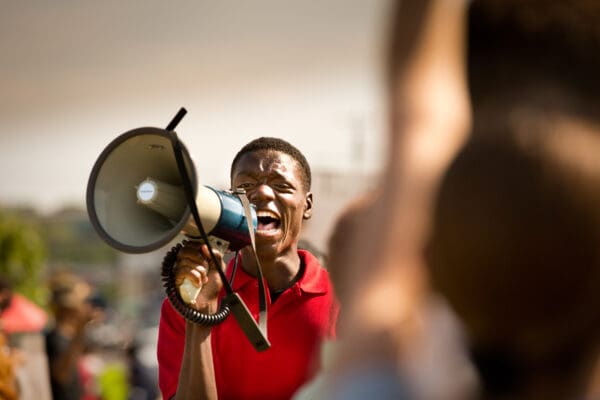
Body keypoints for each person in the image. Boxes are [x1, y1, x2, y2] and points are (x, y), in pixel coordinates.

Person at [157, 137, 339, 399]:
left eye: (281, 185)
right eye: (246, 185)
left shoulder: (347, 301)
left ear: (307, 205)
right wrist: (201, 314)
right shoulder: (184, 304)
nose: (262, 194)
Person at [45, 271, 104, 400]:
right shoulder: (55, 338)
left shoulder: (68, 335)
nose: (87, 307)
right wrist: (81, 330)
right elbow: (61, 375)